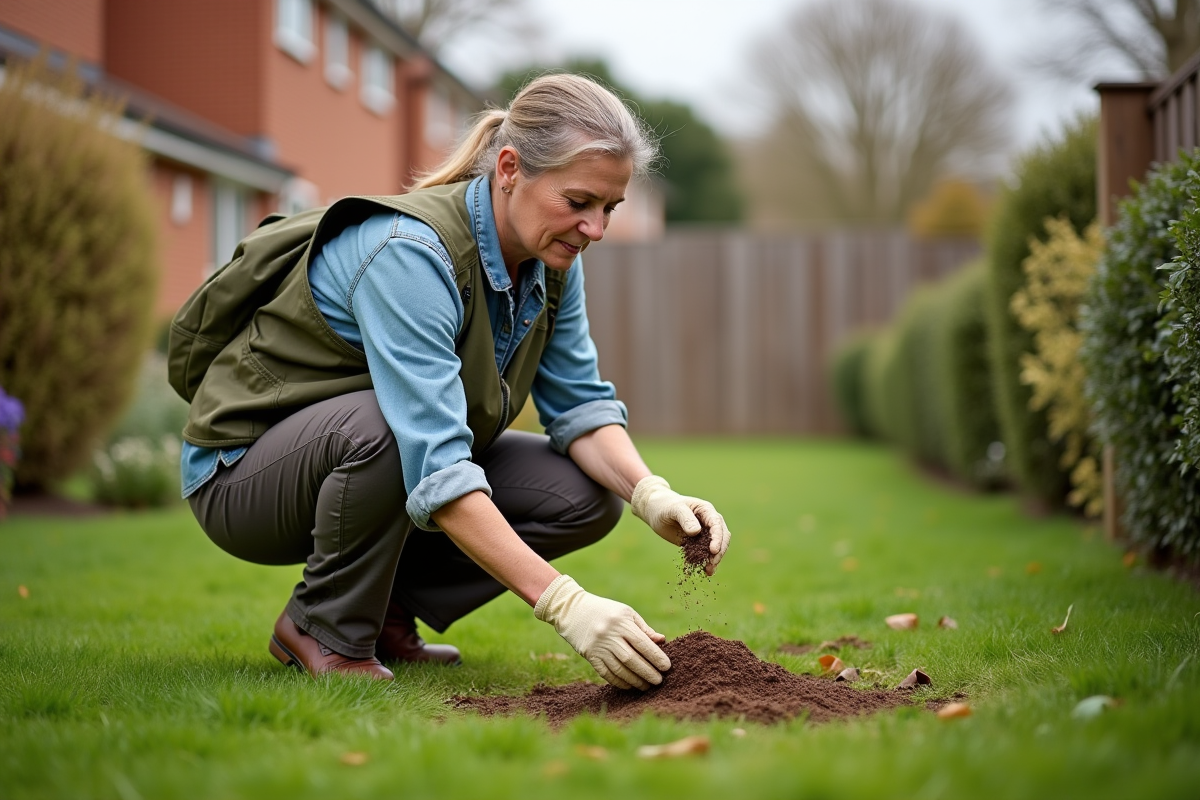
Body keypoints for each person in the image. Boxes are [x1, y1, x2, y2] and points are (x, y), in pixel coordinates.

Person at [172, 74, 732, 690]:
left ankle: (380, 614)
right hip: (244, 474)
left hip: (371, 458)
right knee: (386, 427)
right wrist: (566, 604)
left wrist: (651, 493)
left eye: (609, 208)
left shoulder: (550, 265)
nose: (595, 229)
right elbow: (436, 461)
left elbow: (579, 404)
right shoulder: (408, 256)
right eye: (578, 203)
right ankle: (323, 625)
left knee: (585, 494)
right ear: (510, 169)